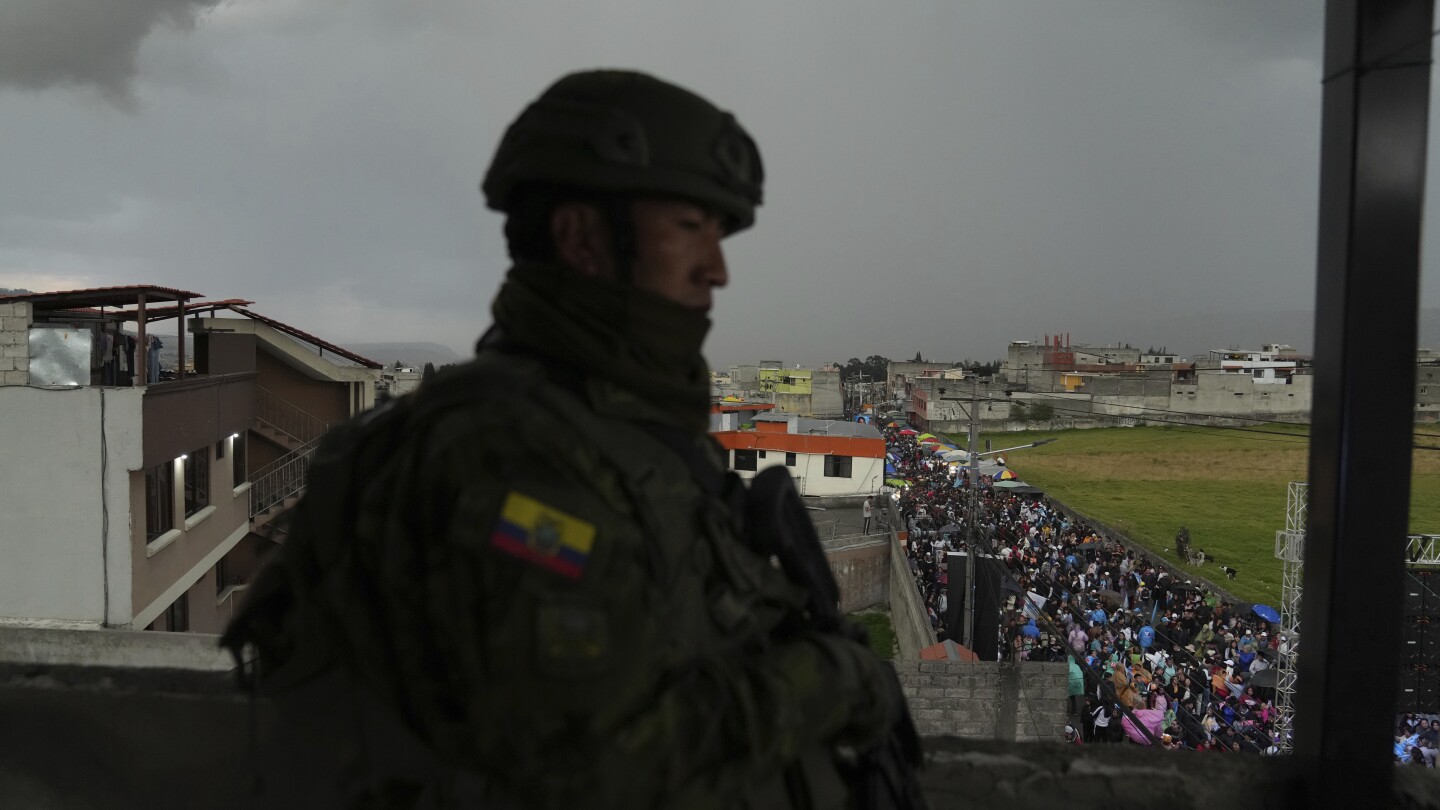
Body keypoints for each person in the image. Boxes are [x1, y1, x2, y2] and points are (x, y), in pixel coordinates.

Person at [222, 70, 913, 809]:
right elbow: (595, 762)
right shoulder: (508, 455)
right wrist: (833, 681)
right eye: (689, 228)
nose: (717, 268)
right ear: (583, 237)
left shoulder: (616, 433)